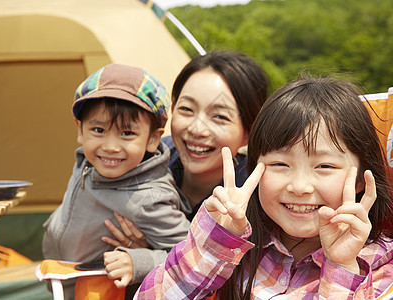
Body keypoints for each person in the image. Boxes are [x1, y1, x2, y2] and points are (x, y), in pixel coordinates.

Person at [134, 75, 393, 299]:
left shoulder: (380, 265)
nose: (300, 186)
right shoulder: (236, 243)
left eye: (324, 166)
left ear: (361, 177)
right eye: (280, 164)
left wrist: (342, 266)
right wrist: (213, 243)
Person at [102, 52, 269, 290]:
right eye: (187, 109)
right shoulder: (146, 158)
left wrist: (153, 252)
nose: (197, 129)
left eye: (219, 116)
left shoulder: (257, 200)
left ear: (248, 131)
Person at [41, 63, 190, 299]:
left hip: (102, 292)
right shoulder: (88, 161)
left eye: (127, 133)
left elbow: (190, 254)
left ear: (153, 139)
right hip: (65, 281)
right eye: (98, 130)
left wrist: (140, 260)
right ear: (80, 130)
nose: (110, 147)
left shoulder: (148, 198)